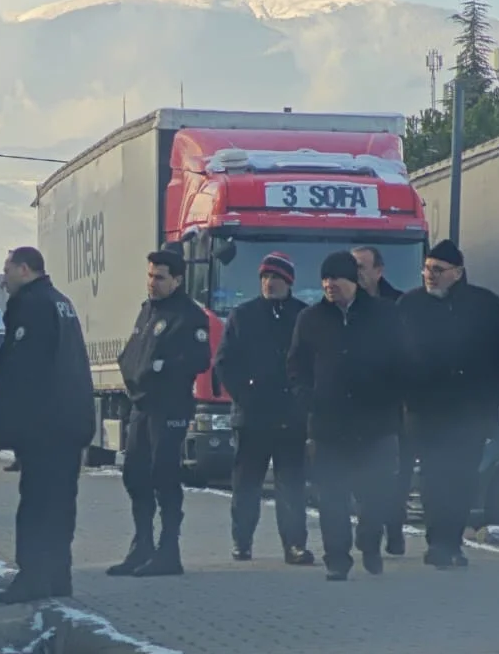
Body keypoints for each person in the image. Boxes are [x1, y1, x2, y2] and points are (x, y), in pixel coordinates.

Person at [398, 239, 499, 569]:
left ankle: (453, 542)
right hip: (426, 412)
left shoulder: (484, 304)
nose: (430, 276)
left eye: (438, 270)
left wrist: (492, 394)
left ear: (458, 273)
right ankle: (437, 543)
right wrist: (408, 396)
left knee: (462, 478)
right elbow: (393, 357)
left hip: (470, 412)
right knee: (434, 478)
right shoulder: (409, 306)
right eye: (426, 269)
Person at [287, 251, 406, 581]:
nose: (329, 285)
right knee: (332, 495)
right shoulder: (311, 319)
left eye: (336, 278)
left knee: (376, 493)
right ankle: (336, 558)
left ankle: (369, 541)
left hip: (376, 423)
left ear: (353, 281)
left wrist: (393, 396)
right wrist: (306, 398)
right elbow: (296, 365)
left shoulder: (384, 315)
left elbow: (404, 359)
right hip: (329, 424)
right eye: (325, 279)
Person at [0, 246, 95, 604]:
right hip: (68, 422)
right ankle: (57, 576)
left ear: (23, 269)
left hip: (44, 426)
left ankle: (32, 578)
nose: (3, 278)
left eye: (7, 269)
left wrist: (15, 429)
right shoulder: (61, 302)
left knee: (35, 503)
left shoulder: (30, 306)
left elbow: (23, 371)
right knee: (61, 502)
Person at [105, 249, 212, 578]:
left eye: (160, 277)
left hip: (170, 407)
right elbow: (135, 351)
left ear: (177, 280)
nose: (152, 283)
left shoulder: (189, 316)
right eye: (150, 276)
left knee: (164, 476)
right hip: (142, 406)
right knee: (134, 475)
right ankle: (142, 547)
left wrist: (160, 368)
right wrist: (132, 370)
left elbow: (199, 360)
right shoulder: (147, 311)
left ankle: (169, 551)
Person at [212, 252, 314, 566]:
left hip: (290, 415)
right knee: (247, 484)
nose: (269, 283)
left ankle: (295, 545)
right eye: (265, 278)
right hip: (253, 415)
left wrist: (303, 400)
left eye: (276, 278)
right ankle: (242, 541)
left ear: (289, 283)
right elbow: (224, 362)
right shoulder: (243, 315)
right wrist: (244, 394)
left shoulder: (303, 316)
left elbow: (313, 363)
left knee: (292, 486)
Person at [353, 244, 410, 556]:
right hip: (355, 407)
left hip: (394, 407)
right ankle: (369, 524)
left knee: (392, 473)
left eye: (362, 266)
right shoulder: (342, 308)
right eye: (353, 267)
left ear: (379, 271)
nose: (357, 273)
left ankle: (394, 528)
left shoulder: (397, 304)